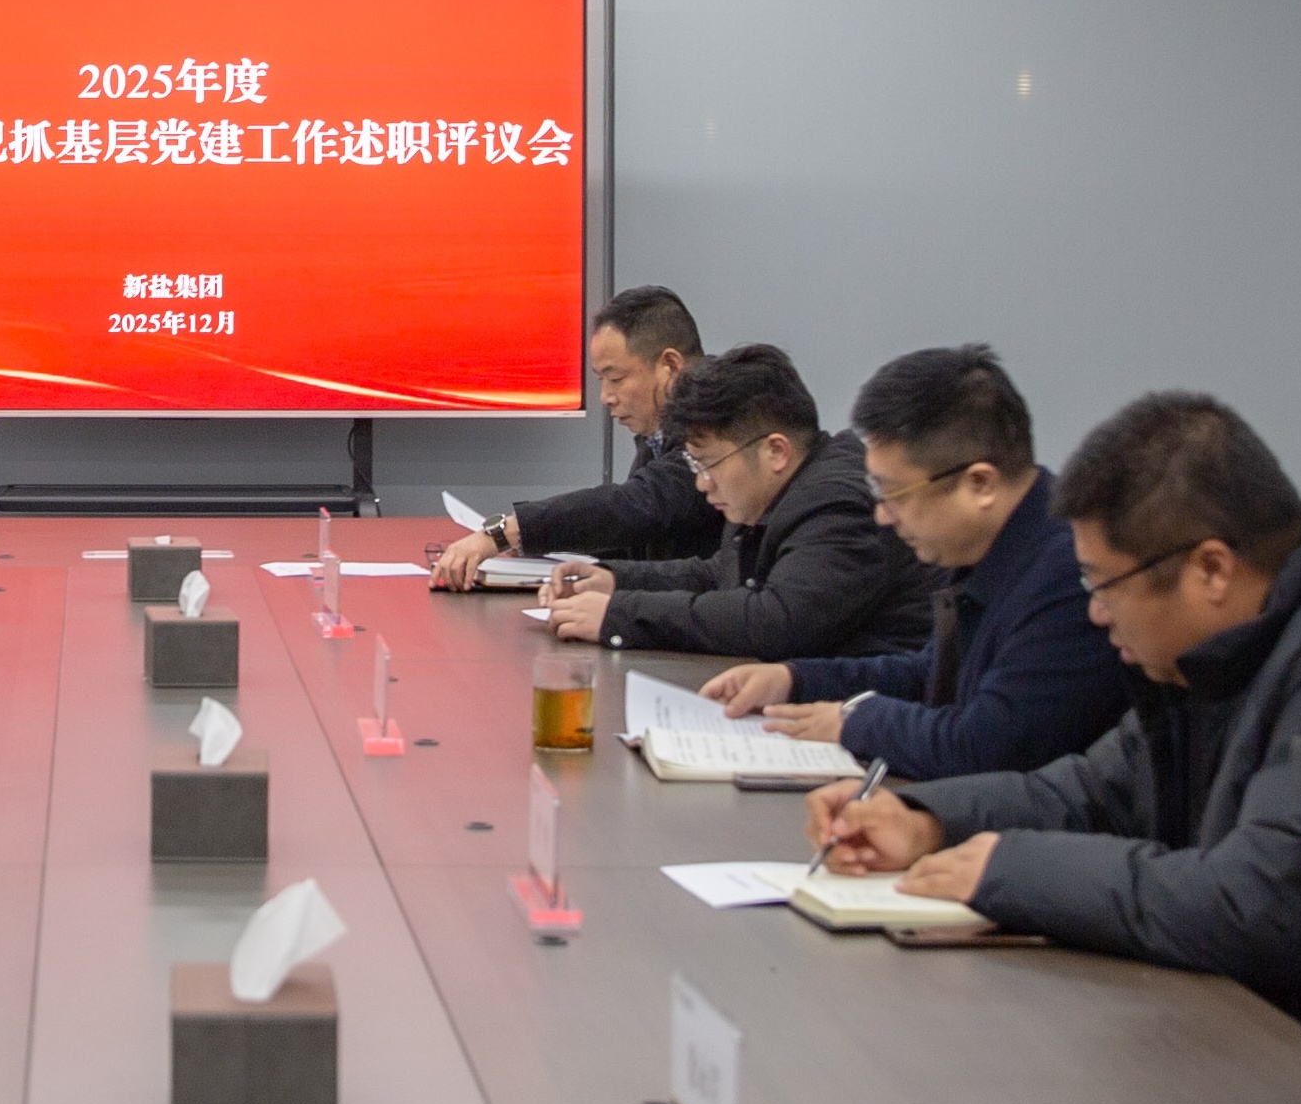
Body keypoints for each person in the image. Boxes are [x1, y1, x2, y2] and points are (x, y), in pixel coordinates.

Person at [806, 391, 1301, 1037]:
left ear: (1211, 570)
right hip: (1258, 1023)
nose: (1096, 613)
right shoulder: (1221, 644)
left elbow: (1267, 906)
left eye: (1104, 585)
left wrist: (1012, 871)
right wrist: (928, 820)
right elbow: (1093, 791)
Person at [698, 346, 1128, 778]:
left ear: (980, 484)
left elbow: (985, 747)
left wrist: (856, 722)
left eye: (893, 494)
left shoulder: (1067, 577)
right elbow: (932, 673)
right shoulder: (994, 547)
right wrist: (795, 680)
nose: (882, 515)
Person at [540, 345, 935, 661]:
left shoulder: (838, 505)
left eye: (709, 463)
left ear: (775, 452)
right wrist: (614, 579)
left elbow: (776, 621)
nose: (701, 482)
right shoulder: (776, 492)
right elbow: (722, 574)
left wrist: (621, 614)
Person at [433, 285, 715, 588]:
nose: (606, 397)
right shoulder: (660, 428)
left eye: (617, 379)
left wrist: (510, 532)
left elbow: (639, 505)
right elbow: (640, 535)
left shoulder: (717, 419)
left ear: (670, 365)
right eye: (601, 380)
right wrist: (538, 546)